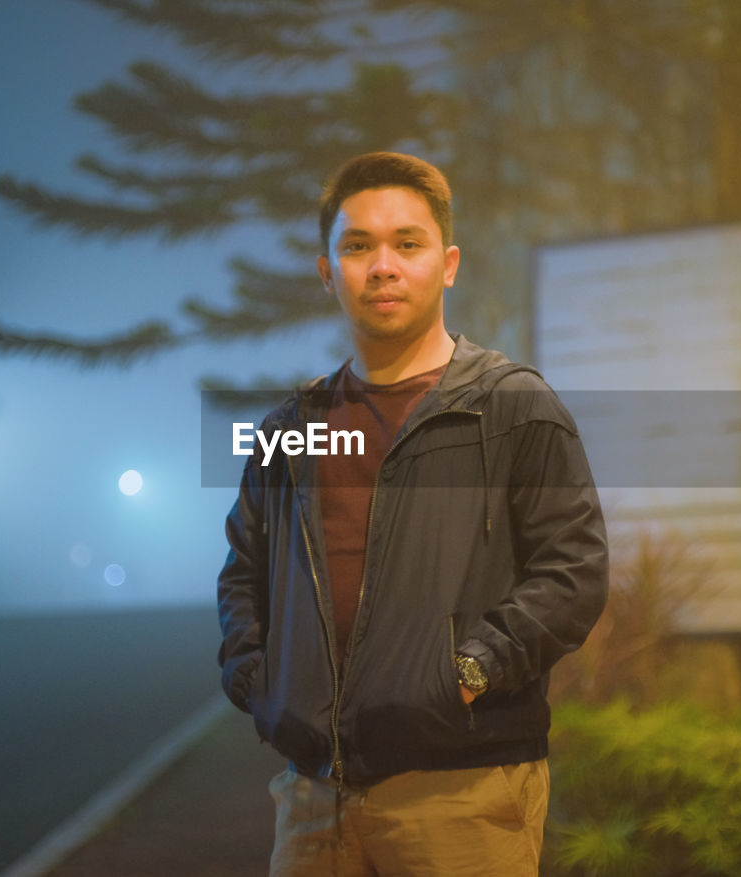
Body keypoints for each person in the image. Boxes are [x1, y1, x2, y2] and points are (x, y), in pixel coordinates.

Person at [217, 151, 608, 876]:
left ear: (448, 263)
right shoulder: (289, 429)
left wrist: (467, 671)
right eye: (358, 246)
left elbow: (574, 573)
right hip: (313, 801)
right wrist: (258, 682)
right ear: (327, 271)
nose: (383, 265)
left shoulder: (511, 407)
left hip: (461, 792)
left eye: (408, 243)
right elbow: (244, 572)